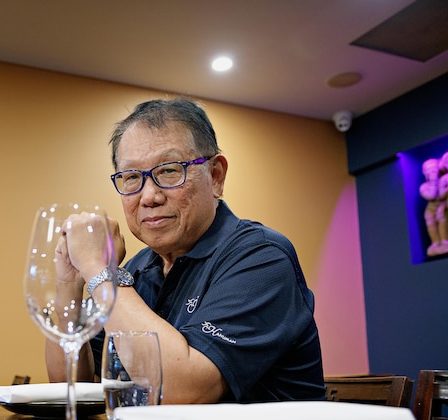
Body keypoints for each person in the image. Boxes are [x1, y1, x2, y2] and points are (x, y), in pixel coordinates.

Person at [45, 97, 325, 403]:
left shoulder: (261, 257)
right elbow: (70, 390)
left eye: (168, 171)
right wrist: (69, 285)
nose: (149, 196)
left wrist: (101, 272)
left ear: (216, 176)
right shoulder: (136, 271)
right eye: (132, 177)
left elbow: (181, 392)